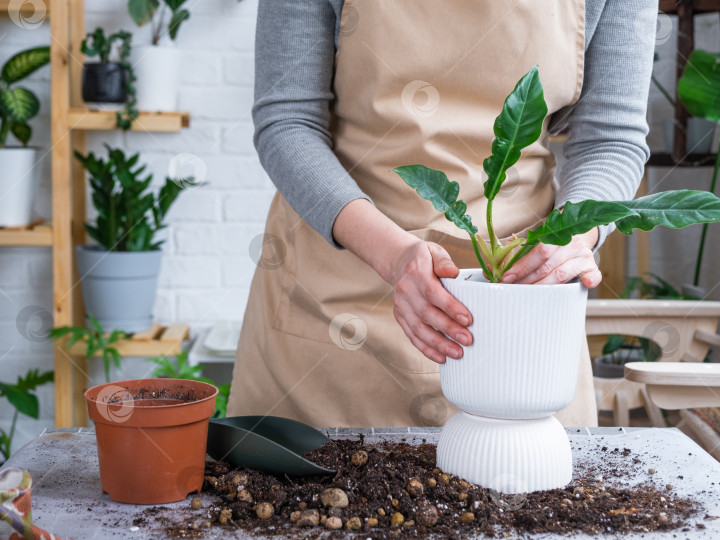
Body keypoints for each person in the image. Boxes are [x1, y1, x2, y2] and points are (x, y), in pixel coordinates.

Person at [228, 0, 656, 427]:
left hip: (519, 302)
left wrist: (573, 236)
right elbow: (288, 121)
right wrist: (392, 253)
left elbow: (610, 138)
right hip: (338, 292)